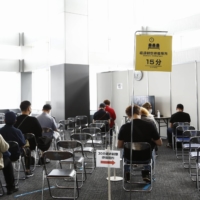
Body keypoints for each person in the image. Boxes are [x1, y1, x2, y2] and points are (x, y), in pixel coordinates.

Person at [118, 105, 162, 182]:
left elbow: (119, 145)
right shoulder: (150, 125)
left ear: (128, 116)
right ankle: (146, 172)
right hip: (145, 157)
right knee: (152, 148)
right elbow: (160, 143)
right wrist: (151, 139)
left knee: (125, 148)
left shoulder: (124, 127)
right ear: (140, 113)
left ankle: (127, 172)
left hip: (130, 157)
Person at [0, 112, 34, 177]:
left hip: (3, 155)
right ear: (15, 121)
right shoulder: (17, 131)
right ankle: (27, 170)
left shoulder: (0, 131)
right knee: (27, 150)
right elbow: (23, 144)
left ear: (4, 120)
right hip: (15, 154)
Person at [14, 101, 43, 169]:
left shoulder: (15, 119)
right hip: (31, 144)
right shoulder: (33, 119)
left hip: (17, 143)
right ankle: (41, 157)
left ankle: (29, 158)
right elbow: (39, 133)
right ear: (28, 108)